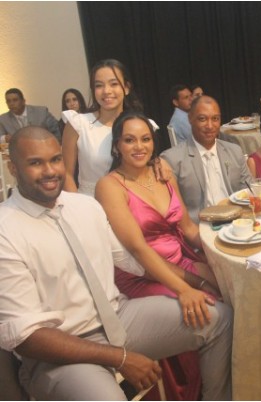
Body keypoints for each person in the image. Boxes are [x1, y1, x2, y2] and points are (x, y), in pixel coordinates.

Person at [0, 127, 232, 400]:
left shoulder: (84, 206)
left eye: (56, 159)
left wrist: (197, 284)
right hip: (60, 349)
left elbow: (133, 262)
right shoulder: (6, 230)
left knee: (220, 318)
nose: (50, 171)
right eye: (36, 163)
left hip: (118, 318)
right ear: (12, 168)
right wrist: (120, 358)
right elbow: (27, 337)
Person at [96, 111, 221, 399]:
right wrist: (184, 289)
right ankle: (193, 392)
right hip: (143, 274)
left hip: (181, 258)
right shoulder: (110, 186)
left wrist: (221, 250)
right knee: (205, 308)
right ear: (116, 145)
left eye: (145, 139)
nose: (139, 146)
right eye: (130, 140)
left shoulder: (161, 171)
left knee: (229, 288)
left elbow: (188, 228)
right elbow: (138, 249)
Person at [62, 59, 161, 196]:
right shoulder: (78, 124)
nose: (106, 91)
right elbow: (66, 173)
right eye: (99, 85)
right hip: (92, 201)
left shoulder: (143, 126)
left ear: (126, 88)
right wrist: (78, 205)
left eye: (114, 84)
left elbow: (151, 166)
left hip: (134, 199)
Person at [162, 95, 252, 223]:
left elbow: (249, 190)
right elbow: (173, 210)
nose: (210, 126)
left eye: (215, 119)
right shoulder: (172, 160)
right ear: (190, 119)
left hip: (237, 222)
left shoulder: (234, 151)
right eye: (202, 119)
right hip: (200, 226)